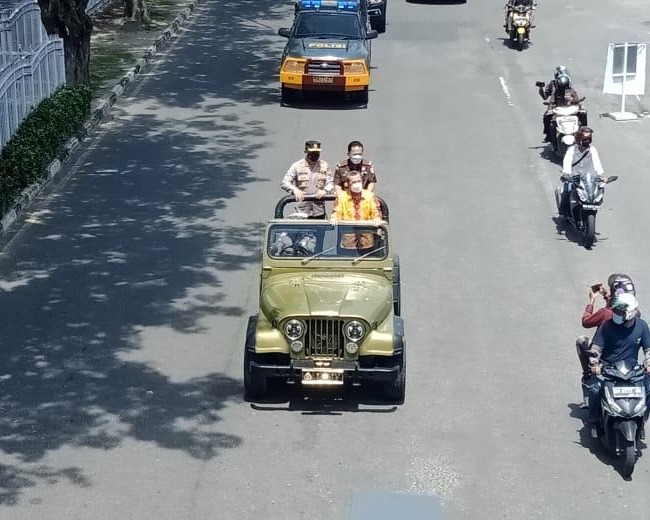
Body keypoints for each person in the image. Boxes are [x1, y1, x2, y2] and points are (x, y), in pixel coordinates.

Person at [587, 293, 650, 439]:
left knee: (648, 387)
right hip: (608, 368)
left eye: (620, 312)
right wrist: (594, 364)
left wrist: (648, 363)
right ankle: (594, 422)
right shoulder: (607, 326)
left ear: (630, 313)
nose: (616, 314)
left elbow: (648, 350)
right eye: (615, 311)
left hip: (633, 370)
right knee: (595, 388)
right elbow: (597, 348)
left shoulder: (641, 326)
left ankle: (641, 421)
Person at [575, 274, 638, 407]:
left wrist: (591, 301)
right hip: (627, 360)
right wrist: (607, 296)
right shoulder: (636, 314)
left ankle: (587, 377)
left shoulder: (605, 313)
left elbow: (586, 322)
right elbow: (620, 308)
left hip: (604, 358)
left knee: (581, 341)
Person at [557, 126, 604, 218]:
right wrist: (566, 174)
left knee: (598, 191)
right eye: (585, 139)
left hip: (588, 178)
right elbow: (567, 161)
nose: (586, 142)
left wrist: (601, 175)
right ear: (579, 139)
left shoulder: (592, 150)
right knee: (568, 190)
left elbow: (597, 163)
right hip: (574, 177)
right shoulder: (572, 150)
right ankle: (564, 212)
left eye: (588, 139)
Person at [281, 140, 334, 219]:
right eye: (312, 152)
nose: (315, 154)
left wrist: (325, 190)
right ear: (306, 151)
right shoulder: (297, 166)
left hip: (319, 210)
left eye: (317, 152)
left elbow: (331, 183)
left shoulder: (324, 166)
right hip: (302, 211)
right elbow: (284, 182)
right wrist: (294, 190)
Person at [330, 172, 382, 250]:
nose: (357, 184)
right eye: (354, 182)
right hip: (348, 242)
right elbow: (337, 211)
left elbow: (375, 211)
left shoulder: (370, 196)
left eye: (359, 181)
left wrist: (377, 218)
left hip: (367, 241)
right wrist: (334, 217)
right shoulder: (342, 197)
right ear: (347, 184)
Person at [538, 67, 587, 142]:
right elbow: (545, 96)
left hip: (570, 109)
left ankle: (583, 133)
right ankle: (548, 135)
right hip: (556, 108)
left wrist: (573, 100)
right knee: (547, 117)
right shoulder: (552, 84)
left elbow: (576, 98)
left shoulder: (570, 87)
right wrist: (541, 88)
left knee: (583, 113)